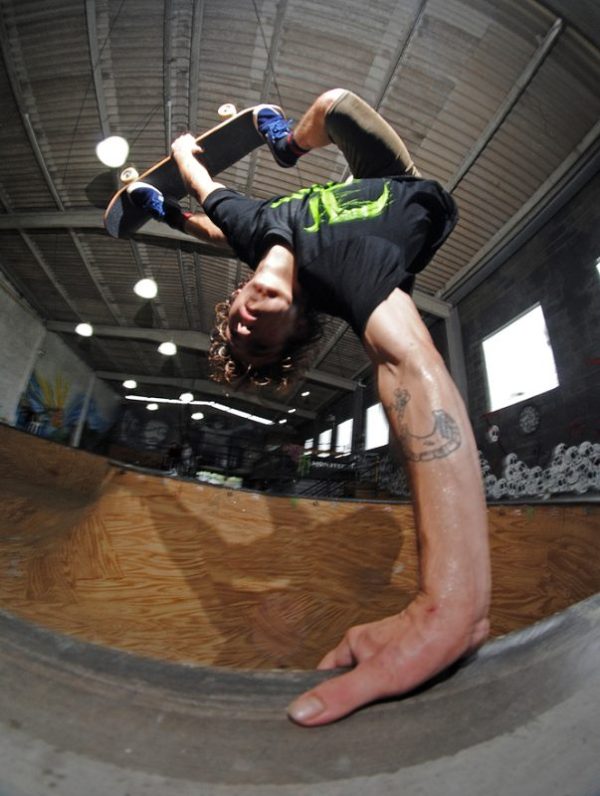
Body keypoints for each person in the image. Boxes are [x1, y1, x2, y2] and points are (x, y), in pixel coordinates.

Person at [127, 89, 491, 727]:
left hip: (288, 213)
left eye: (235, 323)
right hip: (395, 189)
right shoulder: (353, 275)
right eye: (255, 339)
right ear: (296, 328)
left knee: (293, 155)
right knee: (340, 109)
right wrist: (449, 605)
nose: (242, 323)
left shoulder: (252, 240)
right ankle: (273, 158)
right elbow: (410, 365)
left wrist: (177, 180)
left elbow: (206, 186)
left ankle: (283, 151)